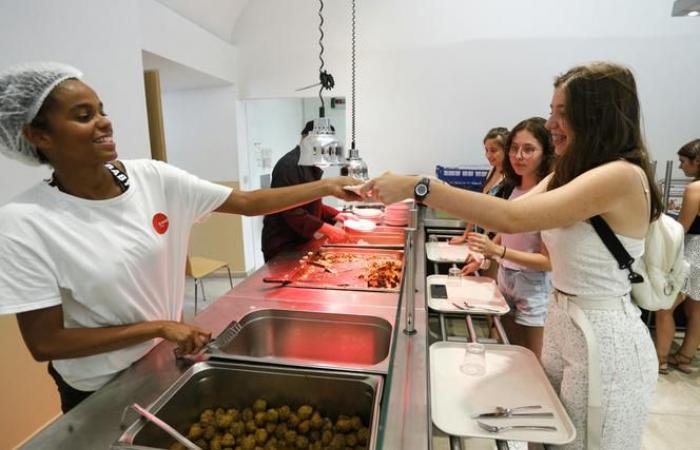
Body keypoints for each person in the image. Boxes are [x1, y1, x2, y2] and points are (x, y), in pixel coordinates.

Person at [0, 63, 361, 413]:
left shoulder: (153, 178)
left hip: (161, 359)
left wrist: (329, 185)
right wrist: (157, 327)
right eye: (83, 116)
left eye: (102, 111)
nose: (104, 122)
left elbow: (248, 202)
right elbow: (45, 342)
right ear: (39, 135)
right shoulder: (24, 222)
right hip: (96, 387)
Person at [364, 62, 662, 450]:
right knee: (547, 438)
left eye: (563, 113)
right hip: (563, 321)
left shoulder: (620, 176)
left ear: (597, 115)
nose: (552, 122)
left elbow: (512, 216)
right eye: (552, 110)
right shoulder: (571, 172)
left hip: (605, 338)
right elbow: (500, 211)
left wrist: (418, 186)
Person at [463, 117, 555, 359]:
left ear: (546, 153)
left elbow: (547, 262)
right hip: (506, 276)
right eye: (514, 148)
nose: (519, 156)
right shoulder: (513, 189)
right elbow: (506, 233)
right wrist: (485, 256)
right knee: (509, 348)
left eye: (529, 149)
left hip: (533, 283)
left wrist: (497, 252)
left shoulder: (550, 196)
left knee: (534, 356)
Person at [261, 121, 354, 262]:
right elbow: (291, 211)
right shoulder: (289, 166)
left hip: (300, 241)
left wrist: (337, 215)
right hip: (282, 244)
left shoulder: (311, 165)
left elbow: (312, 203)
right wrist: (327, 229)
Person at [655, 138, 700, 374]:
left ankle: (660, 359)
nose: (681, 167)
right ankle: (684, 357)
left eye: (684, 161)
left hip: (694, 252)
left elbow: (680, 228)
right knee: (696, 309)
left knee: (665, 308)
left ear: (697, 161)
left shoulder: (694, 189)